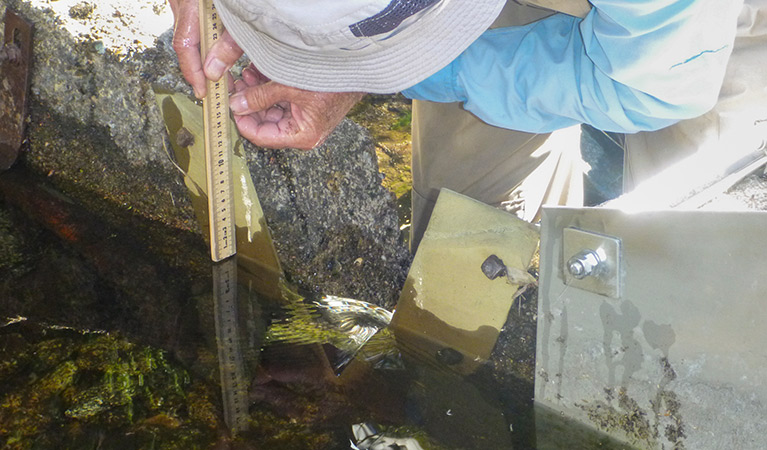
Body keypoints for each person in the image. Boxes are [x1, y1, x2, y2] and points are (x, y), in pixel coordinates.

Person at [167, 0, 762, 250]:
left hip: (694, 33)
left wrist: (362, 73)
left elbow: (656, 86)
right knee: (465, 245)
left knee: (680, 255)